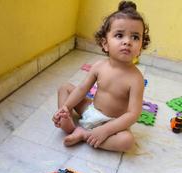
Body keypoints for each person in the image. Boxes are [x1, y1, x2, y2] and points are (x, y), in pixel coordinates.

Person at [52, 0, 150, 152]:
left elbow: (133, 114)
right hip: (91, 109)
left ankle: (85, 134)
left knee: (127, 142)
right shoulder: (99, 66)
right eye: (119, 35)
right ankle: (66, 117)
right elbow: (82, 89)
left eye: (135, 37)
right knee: (65, 88)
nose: (127, 42)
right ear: (105, 44)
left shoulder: (136, 79)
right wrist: (67, 106)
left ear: (141, 48)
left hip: (112, 122)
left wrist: (106, 130)